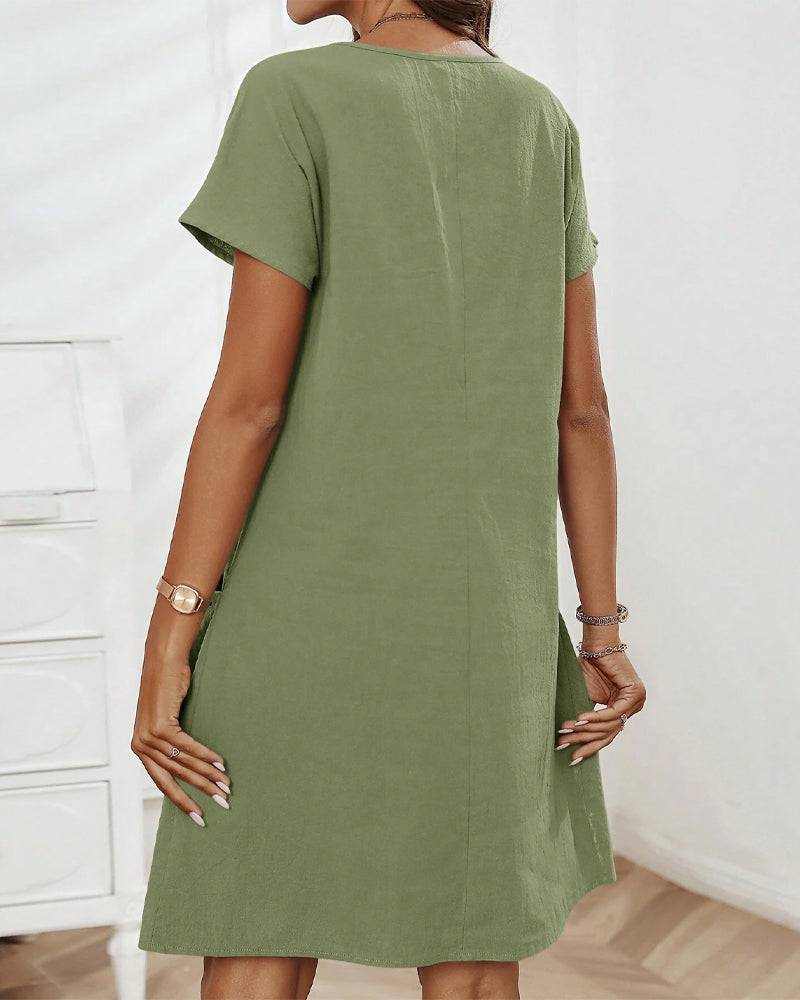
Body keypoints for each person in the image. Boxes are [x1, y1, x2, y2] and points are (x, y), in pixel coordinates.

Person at [132, 2, 647, 998]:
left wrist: (170, 636)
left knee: (260, 915)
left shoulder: (293, 92)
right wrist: (601, 630)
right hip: (482, 626)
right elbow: (579, 413)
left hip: (297, 611)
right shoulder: (538, 117)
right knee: (471, 943)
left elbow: (249, 404)